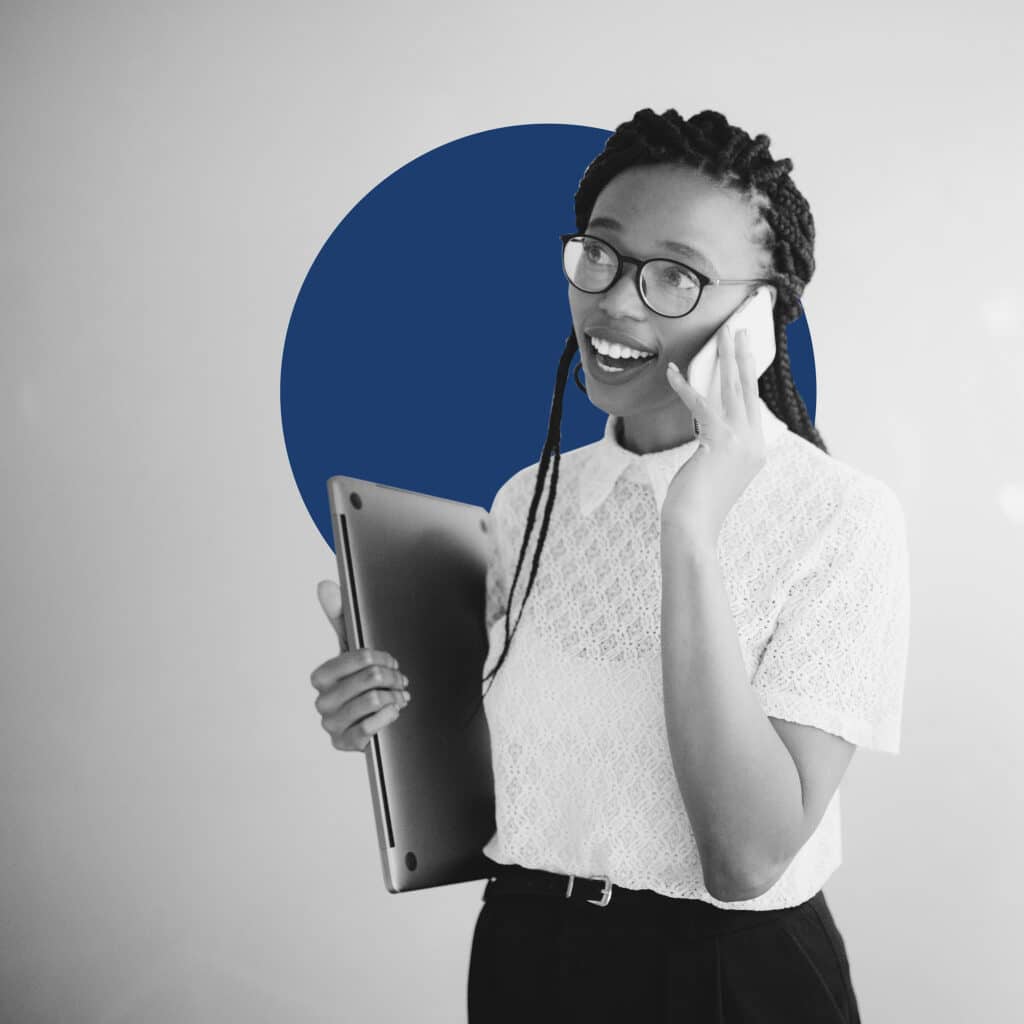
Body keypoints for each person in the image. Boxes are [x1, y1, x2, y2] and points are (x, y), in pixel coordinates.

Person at [308, 108, 910, 1022]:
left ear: (758, 315)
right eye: (601, 254)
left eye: (676, 274)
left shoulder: (840, 516)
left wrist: (690, 527)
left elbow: (747, 860)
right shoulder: (528, 500)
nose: (617, 302)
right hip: (524, 954)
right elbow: (531, 769)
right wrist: (388, 717)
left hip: (725, 977)